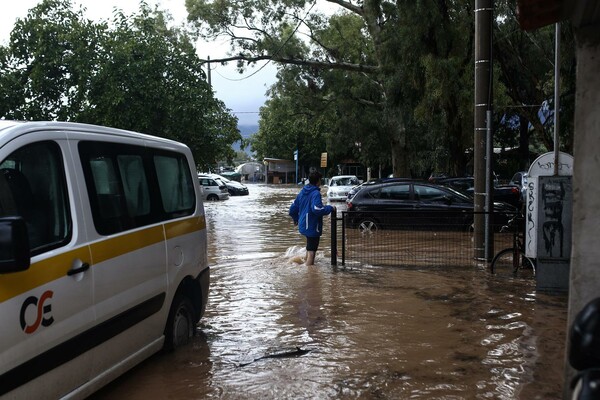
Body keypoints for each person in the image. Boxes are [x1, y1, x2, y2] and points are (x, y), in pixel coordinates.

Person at [289, 171, 335, 265]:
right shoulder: (315, 193)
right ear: (318, 181)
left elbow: (292, 209)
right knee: (312, 251)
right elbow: (317, 209)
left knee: (309, 246)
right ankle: (309, 274)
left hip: (303, 224)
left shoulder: (303, 191)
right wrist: (330, 208)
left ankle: (305, 264)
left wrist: (295, 219)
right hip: (312, 225)